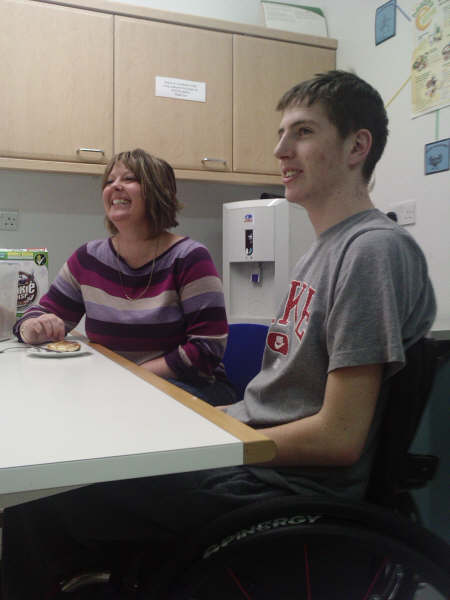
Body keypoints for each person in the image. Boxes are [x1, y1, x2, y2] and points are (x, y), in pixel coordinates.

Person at [1, 71, 436, 599]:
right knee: (63, 485)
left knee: (37, 501)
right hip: (249, 461)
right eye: (281, 133)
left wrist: (206, 441)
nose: (280, 149)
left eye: (303, 132)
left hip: (278, 489)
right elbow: (278, 405)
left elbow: (338, 438)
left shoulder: (371, 251)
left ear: (357, 146)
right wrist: (203, 429)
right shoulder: (324, 250)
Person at [13, 149, 236, 407]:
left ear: (158, 191)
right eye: (109, 181)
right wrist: (31, 328)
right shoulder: (88, 259)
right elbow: (39, 313)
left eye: (129, 179)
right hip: (118, 385)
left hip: (193, 388)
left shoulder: (189, 258)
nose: (115, 186)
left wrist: (127, 376)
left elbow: (206, 350)